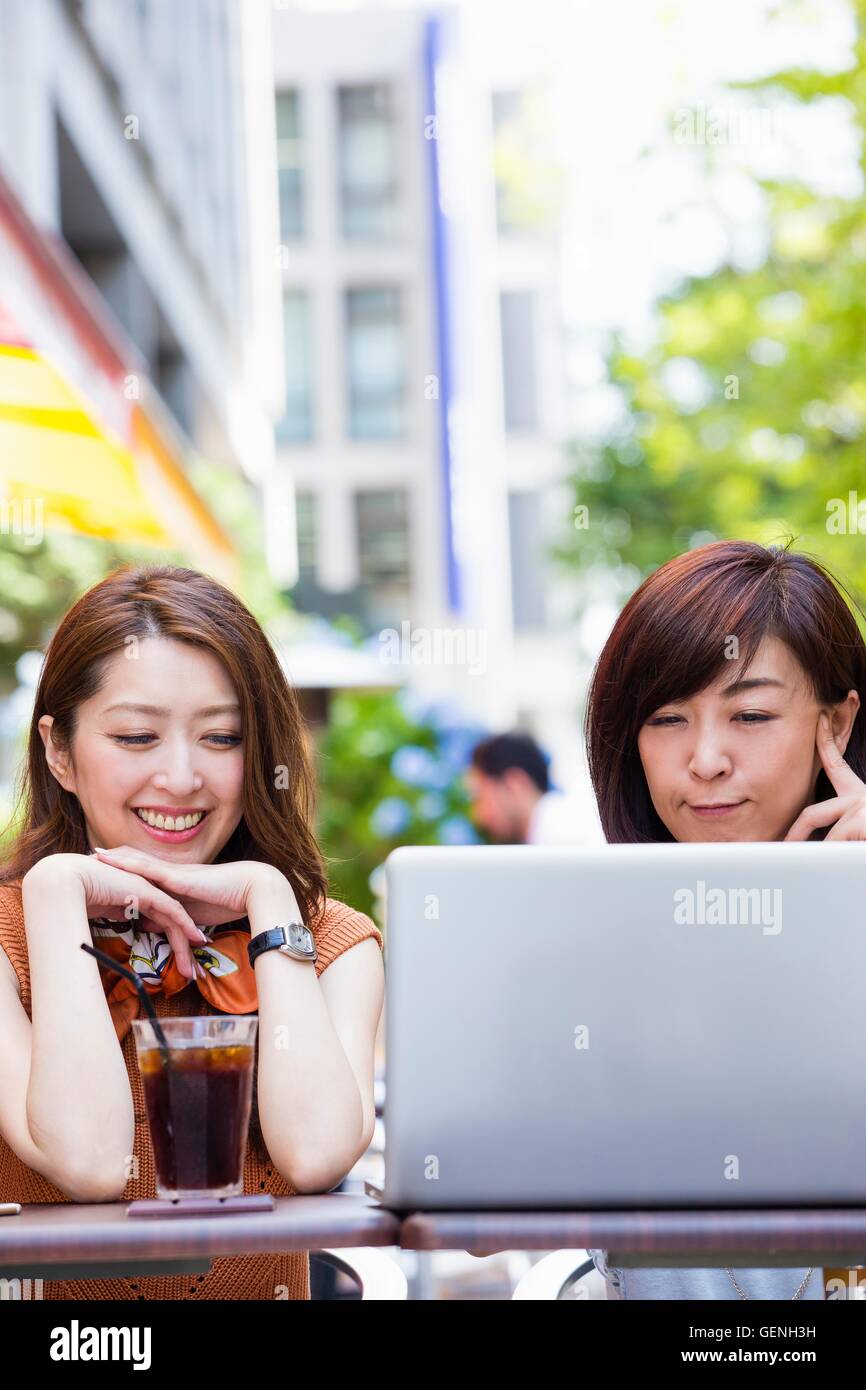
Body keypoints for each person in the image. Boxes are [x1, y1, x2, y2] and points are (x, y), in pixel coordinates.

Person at [0, 564, 385, 1301]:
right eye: (137, 736)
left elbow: (314, 1154)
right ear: (58, 751)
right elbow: (87, 1162)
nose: (181, 778)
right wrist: (55, 891)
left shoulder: (332, 941)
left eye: (221, 737)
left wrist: (270, 898)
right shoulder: (9, 936)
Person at [584, 538, 866, 1300]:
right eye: (667, 718)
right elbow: (476, 1222)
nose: (705, 758)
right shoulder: (586, 954)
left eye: (750, 713)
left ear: (836, 728)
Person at [467, 731, 603, 844]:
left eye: (481, 797)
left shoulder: (560, 836)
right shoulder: (552, 829)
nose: (479, 816)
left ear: (514, 785)